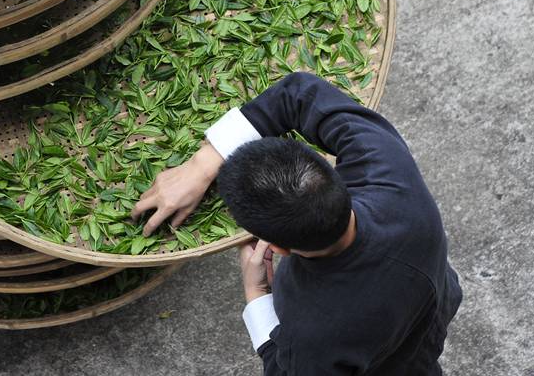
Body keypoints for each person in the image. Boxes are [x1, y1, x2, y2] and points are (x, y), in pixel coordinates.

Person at [131, 72, 462, 375]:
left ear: (276, 248)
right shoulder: (385, 165)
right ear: (328, 169)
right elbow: (302, 92)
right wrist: (204, 164)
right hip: (432, 303)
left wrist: (256, 293)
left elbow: (284, 368)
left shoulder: (312, 328)